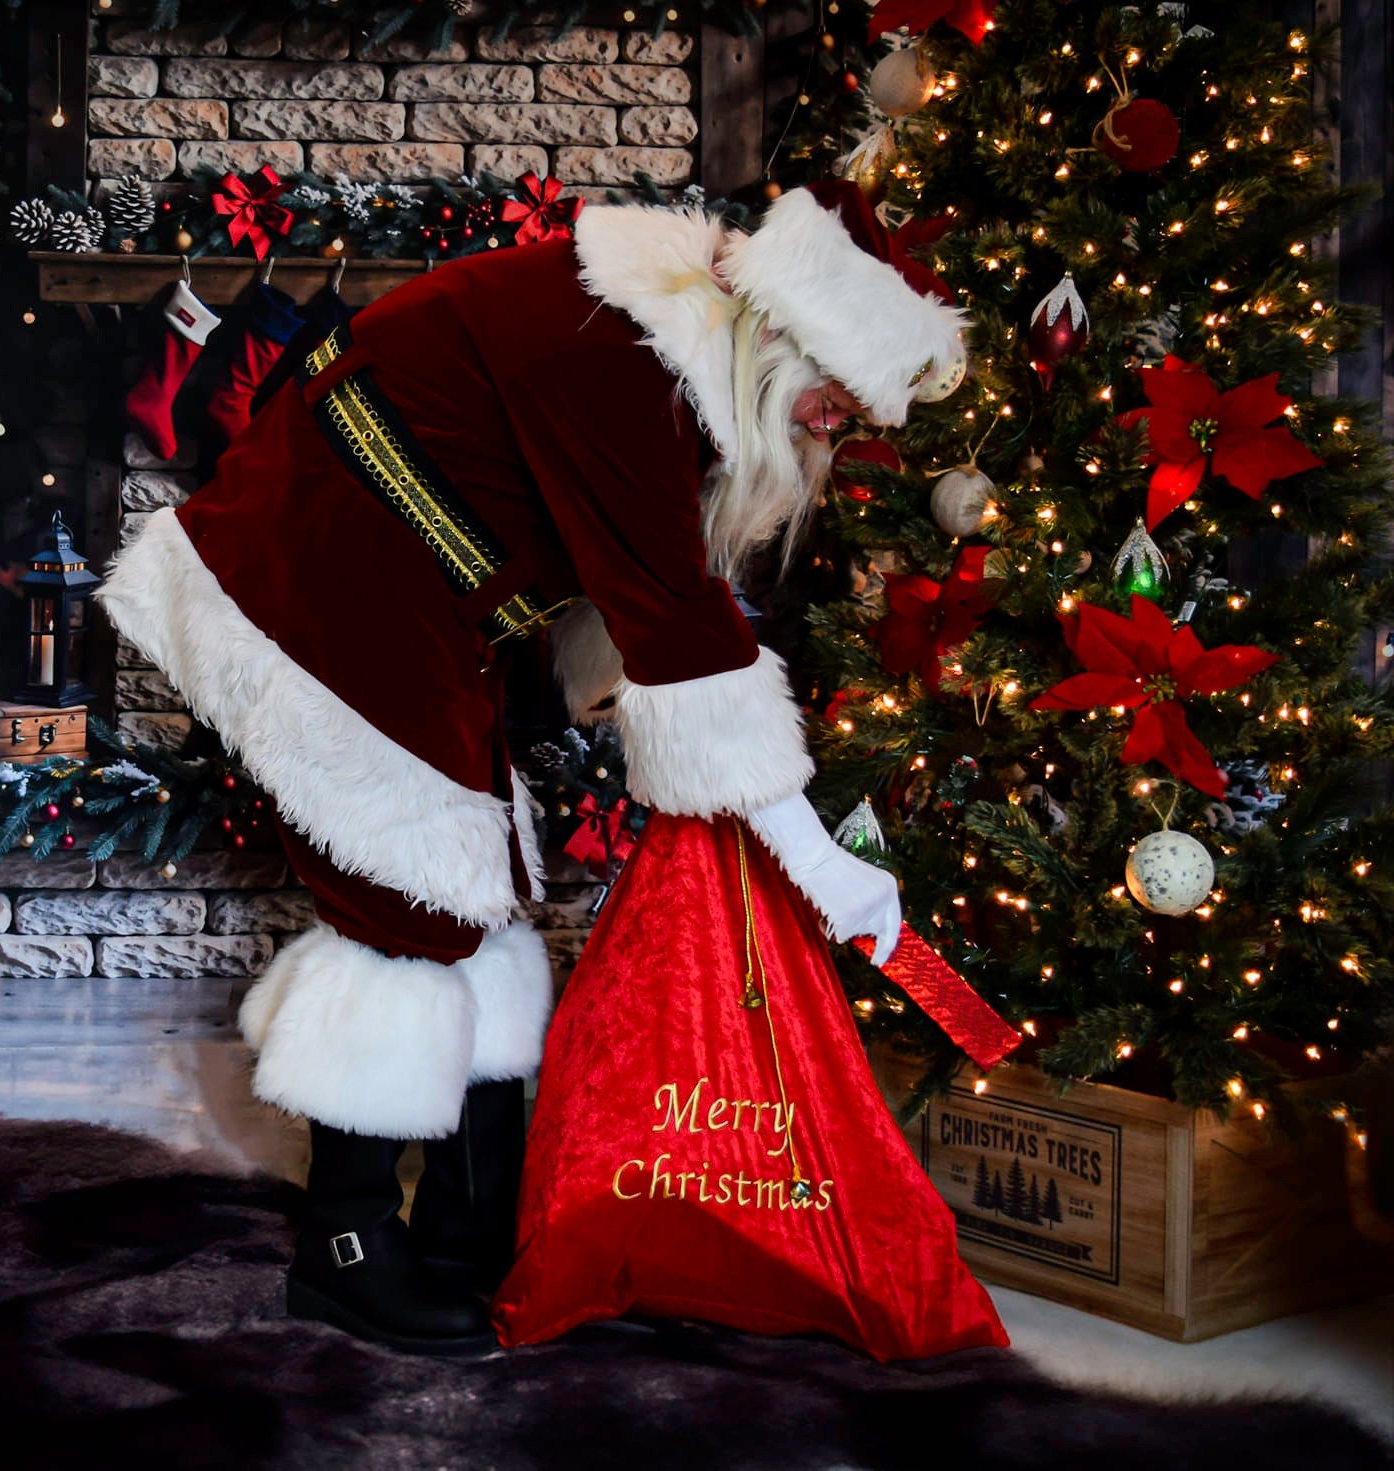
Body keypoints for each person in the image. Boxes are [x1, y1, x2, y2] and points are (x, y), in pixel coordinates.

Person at [98, 181, 964, 1354]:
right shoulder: (622, 354)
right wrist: (823, 866)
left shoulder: (661, 340)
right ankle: (344, 1247)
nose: (829, 428)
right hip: (324, 574)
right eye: (833, 403)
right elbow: (673, 616)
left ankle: (465, 1219)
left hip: (415, 588)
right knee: (405, 905)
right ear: (789, 335)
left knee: (481, 892)